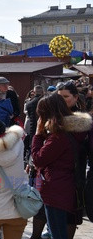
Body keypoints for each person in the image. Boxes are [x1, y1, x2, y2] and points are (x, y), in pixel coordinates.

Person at [31, 93, 91, 239]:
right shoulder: (75, 131)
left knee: (57, 233)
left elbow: (39, 159)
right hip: (69, 187)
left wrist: (38, 135)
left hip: (56, 191)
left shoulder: (59, 136)